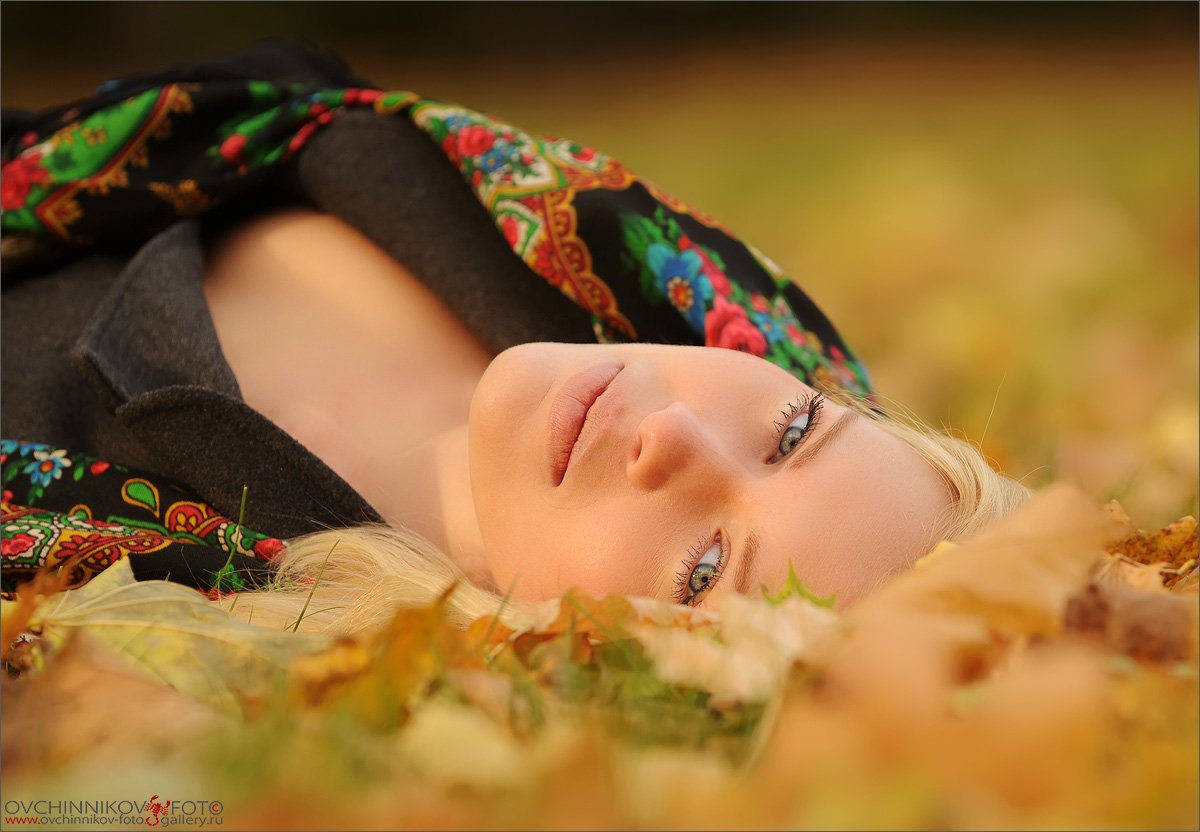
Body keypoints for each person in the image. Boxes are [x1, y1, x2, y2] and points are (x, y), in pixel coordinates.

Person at [0, 41, 1030, 632]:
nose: (676, 438)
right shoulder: (578, 244)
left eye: (705, 568)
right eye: (794, 431)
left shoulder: (219, 600)